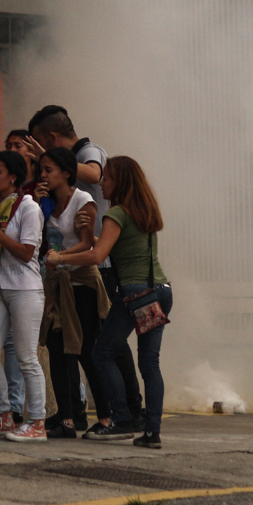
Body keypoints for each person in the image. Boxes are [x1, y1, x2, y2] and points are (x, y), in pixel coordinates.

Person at [27, 106, 146, 431]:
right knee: (81, 346)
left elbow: (93, 173)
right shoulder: (55, 194)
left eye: (46, 153)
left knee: (108, 345)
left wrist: (56, 160)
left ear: (52, 138)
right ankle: (85, 412)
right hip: (78, 270)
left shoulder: (89, 155)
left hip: (99, 267)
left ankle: (129, 411)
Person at [47, 156, 172, 448]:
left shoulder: (116, 212)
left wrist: (60, 258)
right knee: (150, 364)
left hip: (136, 294)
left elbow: (96, 256)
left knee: (102, 354)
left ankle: (121, 418)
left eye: (107, 178)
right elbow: (108, 244)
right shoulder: (145, 211)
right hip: (161, 291)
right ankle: (151, 431)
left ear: (120, 182)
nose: (101, 183)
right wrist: (87, 233)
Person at [0, 151, 47, 442]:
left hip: (25, 290)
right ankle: (4, 415)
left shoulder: (29, 208)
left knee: (27, 358)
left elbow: (27, 252)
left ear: (13, 177)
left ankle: (37, 422)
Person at [37, 148, 112, 439]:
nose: (43, 175)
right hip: (58, 283)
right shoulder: (44, 202)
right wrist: (41, 203)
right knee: (57, 349)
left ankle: (105, 416)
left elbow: (87, 243)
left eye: (49, 170)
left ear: (66, 173)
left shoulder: (83, 200)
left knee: (85, 352)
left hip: (81, 283)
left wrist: (61, 256)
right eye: (41, 169)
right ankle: (66, 419)